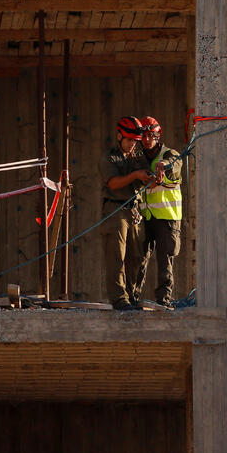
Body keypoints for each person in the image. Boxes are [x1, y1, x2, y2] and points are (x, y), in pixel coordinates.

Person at [100, 116, 151, 310]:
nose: (132, 144)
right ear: (119, 136)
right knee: (117, 257)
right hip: (115, 210)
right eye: (129, 140)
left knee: (137, 256)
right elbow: (113, 183)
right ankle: (119, 299)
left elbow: (148, 179)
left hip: (134, 210)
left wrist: (155, 176)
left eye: (135, 141)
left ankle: (132, 296)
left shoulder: (138, 157)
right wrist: (136, 175)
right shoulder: (109, 157)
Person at [133, 116, 183, 307]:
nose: (146, 140)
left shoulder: (170, 155)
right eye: (143, 136)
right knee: (139, 259)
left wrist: (164, 167)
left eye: (150, 136)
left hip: (167, 218)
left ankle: (164, 300)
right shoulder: (138, 159)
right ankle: (133, 298)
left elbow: (174, 167)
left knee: (165, 261)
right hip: (146, 217)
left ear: (158, 135)